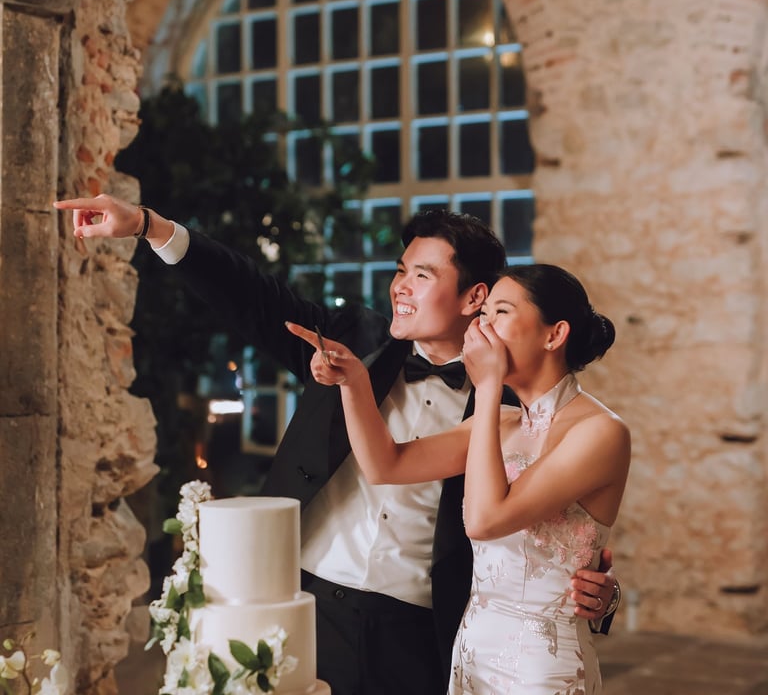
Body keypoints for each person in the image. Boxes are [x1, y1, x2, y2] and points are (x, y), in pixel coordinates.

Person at [53, 195, 619, 695]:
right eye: (401, 271)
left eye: (422, 275)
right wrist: (148, 225)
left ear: (475, 297)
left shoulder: (510, 404)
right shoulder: (352, 343)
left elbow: (560, 526)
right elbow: (252, 295)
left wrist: (601, 591)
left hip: (422, 631)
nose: (400, 286)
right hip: (308, 603)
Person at [287, 263, 631, 694]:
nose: (481, 328)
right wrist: (354, 382)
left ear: (554, 334)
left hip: (541, 666)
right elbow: (385, 465)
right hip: (470, 651)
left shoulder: (600, 431)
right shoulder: (499, 421)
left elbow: (485, 521)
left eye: (500, 313)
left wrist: (486, 388)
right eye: (482, 314)